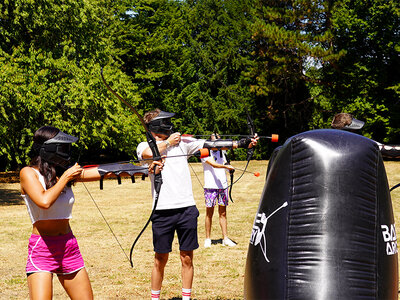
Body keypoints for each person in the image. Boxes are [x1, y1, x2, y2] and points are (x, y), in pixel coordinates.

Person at [20, 126, 161, 299]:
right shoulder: (28, 173)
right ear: (48, 149)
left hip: (68, 247)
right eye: (62, 148)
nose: (67, 153)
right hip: (42, 249)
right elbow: (44, 201)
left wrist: (144, 169)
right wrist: (66, 178)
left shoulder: (63, 172)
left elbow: (105, 171)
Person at [136, 109, 258, 300]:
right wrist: (168, 143)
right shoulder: (146, 144)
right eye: (166, 121)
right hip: (162, 211)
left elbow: (212, 144)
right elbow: (145, 154)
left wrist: (242, 143)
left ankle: (186, 298)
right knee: (160, 258)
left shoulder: (182, 143)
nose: (170, 125)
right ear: (155, 125)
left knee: (187, 257)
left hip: (186, 208)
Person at [201, 133, 236, 248]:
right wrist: (226, 167)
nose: (217, 142)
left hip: (223, 186)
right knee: (209, 213)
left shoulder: (223, 152)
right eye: (214, 139)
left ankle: (225, 238)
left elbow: (224, 163)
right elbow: (214, 164)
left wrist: (229, 167)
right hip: (211, 186)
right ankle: (207, 239)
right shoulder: (204, 151)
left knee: (223, 213)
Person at [331, 113, 400, 158]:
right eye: (355, 130)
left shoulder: (327, 143)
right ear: (350, 130)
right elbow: (389, 150)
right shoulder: (362, 143)